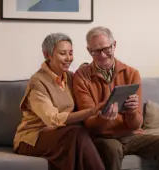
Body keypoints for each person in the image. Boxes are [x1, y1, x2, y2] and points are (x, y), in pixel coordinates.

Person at [73, 26, 159, 170]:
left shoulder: (131, 73)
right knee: (111, 149)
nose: (103, 55)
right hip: (102, 138)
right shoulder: (81, 76)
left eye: (106, 49)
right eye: (96, 51)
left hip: (132, 136)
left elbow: (136, 125)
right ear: (88, 50)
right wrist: (104, 117)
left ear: (114, 45)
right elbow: (89, 124)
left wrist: (131, 111)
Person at [13, 33, 105, 170]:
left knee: (78, 137)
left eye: (71, 53)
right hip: (33, 138)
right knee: (76, 134)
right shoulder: (37, 82)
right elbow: (52, 119)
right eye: (63, 53)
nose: (69, 58)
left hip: (63, 134)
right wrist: (90, 111)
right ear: (47, 55)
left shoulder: (70, 77)